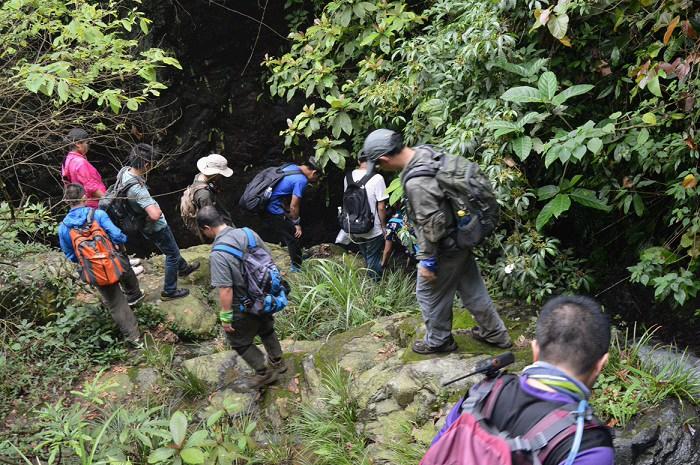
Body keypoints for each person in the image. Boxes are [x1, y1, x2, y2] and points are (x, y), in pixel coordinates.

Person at [361, 129, 511, 354]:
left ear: (384, 159)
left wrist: (427, 261)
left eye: (379, 165)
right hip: (461, 235)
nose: (381, 168)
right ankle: (495, 334)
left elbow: (432, 225)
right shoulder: (425, 153)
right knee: (471, 288)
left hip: (446, 246)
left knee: (427, 292)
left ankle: (439, 341)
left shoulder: (417, 183)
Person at [427, 295, 614, 465]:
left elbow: (438, 449)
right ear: (601, 364)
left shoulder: (483, 392)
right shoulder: (588, 447)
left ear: (535, 350)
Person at [197, 206, 287, 390]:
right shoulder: (248, 233)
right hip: (264, 296)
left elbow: (226, 289)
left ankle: (264, 373)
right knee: (266, 328)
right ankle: (278, 362)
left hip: (243, 305)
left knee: (239, 342)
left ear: (207, 228)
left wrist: (225, 317)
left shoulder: (218, 254)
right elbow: (268, 259)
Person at [58, 184, 143, 344]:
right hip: (115, 261)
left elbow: (70, 254)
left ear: (67, 201)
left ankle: (134, 337)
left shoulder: (63, 228)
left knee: (115, 303)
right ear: (84, 197)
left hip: (95, 269)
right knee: (122, 258)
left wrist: (88, 261)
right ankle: (134, 294)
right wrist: (120, 242)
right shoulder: (98, 214)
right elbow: (117, 235)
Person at [119, 143, 199, 300]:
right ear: (147, 164)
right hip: (155, 226)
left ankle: (183, 268)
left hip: (141, 223)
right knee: (172, 255)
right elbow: (154, 215)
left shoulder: (124, 173)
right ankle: (169, 291)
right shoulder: (138, 189)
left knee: (171, 249)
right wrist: (158, 210)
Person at [264, 158, 320, 271]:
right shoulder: (301, 180)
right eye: (317, 178)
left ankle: (298, 256)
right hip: (273, 208)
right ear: (314, 172)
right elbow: (293, 206)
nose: (315, 180)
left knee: (288, 231)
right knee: (292, 234)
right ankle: (296, 267)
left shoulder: (291, 167)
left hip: (265, 202)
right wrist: (296, 223)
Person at [342, 153, 388, 279]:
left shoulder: (348, 177)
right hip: (373, 227)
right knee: (373, 256)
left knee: (366, 255)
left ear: (358, 161)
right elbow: (381, 206)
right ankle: (376, 284)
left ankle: (369, 280)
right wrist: (384, 227)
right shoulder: (377, 178)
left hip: (354, 225)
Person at [61, 128, 107, 209]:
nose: (88, 145)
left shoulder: (67, 160)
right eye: (87, 142)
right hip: (94, 207)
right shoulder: (80, 163)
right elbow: (91, 188)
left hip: (79, 206)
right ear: (78, 144)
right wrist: (108, 201)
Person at [190, 153, 235, 226]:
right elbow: (212, 221)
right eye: (220, 174)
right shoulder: (204, 195)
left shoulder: (198, 176)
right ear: (215, 174)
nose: (221, 176)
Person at [381, 204, 418, 270]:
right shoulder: (406, 215)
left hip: (418, 255)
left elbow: (387, 250)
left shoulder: (390, 224)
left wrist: (383, 264)